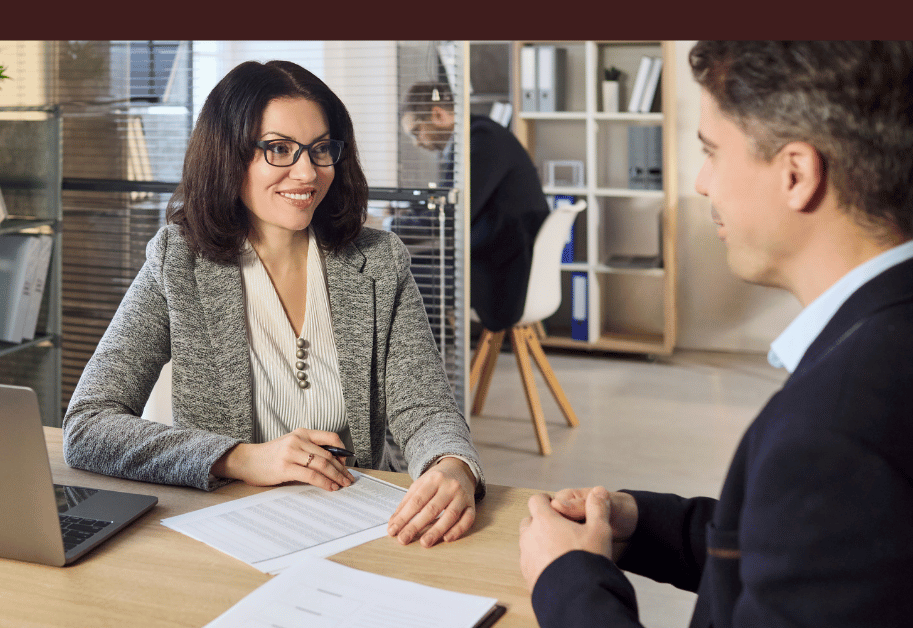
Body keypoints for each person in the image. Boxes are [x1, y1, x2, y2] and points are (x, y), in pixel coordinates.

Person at [518, 40, 913, 626]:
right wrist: (636, 522)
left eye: (712, 153)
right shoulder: (882, 337)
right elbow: (804, 547)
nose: (702, 183)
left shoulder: (834, 431)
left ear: (797, 174)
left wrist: (569, 580)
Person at [63, 60, 486, 548]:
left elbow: (426, 409)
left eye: (320, 149)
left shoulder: (379, 261)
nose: (307, 172)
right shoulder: (178, 261)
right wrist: (240, 457)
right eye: (279, 149)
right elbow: (89, 425)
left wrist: (452, 465)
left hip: (363, 529)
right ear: (229, 155)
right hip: (230, 532)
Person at [400, 82, 551, 333]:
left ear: (439, 115)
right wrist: (405, 215)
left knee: (401, 275)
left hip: (504, 274)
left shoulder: (481, 141)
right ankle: (435, 359)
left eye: (417, 131)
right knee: (409, 267)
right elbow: (446, 202)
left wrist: (391, 225)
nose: (418, 143)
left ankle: (427, 365)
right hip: (500, 259)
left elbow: (450, 215)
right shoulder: (478, 134)